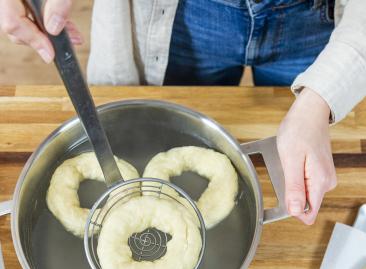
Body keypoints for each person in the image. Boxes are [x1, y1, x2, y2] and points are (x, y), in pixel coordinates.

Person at [0, 0, 365, 225]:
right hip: (180, 14)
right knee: (153, 126)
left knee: (301, 133)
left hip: (319, 20)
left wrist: (320, 100)